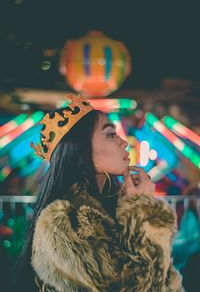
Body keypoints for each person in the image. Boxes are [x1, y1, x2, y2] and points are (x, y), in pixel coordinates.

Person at [10, 94, 184, 291]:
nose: (124, 142)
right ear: (82, 150)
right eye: (110, 134)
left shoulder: (113, 207)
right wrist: (144, 210)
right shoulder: (65, 222)